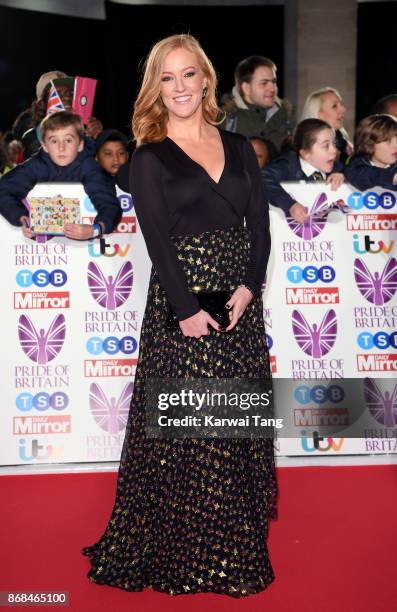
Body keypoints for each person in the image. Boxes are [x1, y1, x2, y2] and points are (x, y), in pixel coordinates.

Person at [82, 34, 277, 598]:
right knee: (191, 431)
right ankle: (187, 549)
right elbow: (157, 242)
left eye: (188, 75)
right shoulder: (149, 156)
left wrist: (249, 286)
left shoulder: (240, 147)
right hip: (183, 305)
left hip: (239, 305)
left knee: (233, 424)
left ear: (206, 80)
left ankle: (234, 542)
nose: (180, 87)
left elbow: (258, 227)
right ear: (156, 88)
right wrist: (186, 308)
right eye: (167, 78)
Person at [0, 111, 122, 239]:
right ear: (45, 146)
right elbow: (3, 190)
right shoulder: (38, 164)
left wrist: (96, 229)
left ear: (80, 144)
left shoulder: (89, 167)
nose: (61, 148)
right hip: (46, 253)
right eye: (54, 141)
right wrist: (22, 217)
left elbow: (109, 204)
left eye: (68, 140)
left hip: (87, 251)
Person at [263, 118, 344, 222]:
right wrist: (289, 204)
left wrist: (345, 176)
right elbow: (262, 177)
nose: (334, 150)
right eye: (326, 146)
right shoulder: (288, 166)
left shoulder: (337, 168)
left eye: (334, 144)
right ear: (306, 153)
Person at [220, 55, 293, 152]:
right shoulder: (225, 119)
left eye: (274, 82)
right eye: (264, 83)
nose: (273, 88)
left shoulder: (284, 115)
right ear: (246, 88)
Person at [344, 114, 397, 191]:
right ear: (369, 144)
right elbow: (364, 176)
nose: (396, 145)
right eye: (388, 141)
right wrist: (392, 177)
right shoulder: (357, 165)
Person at [302, 87, 353, 164]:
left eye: (341, 104)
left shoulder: (343, 142)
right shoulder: (301, 145)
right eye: (334, 106)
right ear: (318, 114)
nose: (343, 109)